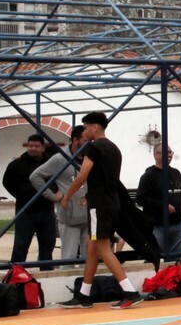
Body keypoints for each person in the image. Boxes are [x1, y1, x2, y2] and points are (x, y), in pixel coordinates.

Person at [55, 112, 143, 309]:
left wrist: (67, 196)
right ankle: (84, 294)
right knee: (91, 247)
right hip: (111, 202)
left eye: (86, 127)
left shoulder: (93, 147)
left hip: (100, 206)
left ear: (95, 127)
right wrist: (90, 195)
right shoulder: (114, 148)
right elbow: (106, 178)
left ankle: (130, 291)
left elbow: (81, 176)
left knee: (102, 247)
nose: (84, 131)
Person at [2, 133, 57, 265]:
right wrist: (20, 194)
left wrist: (53, 193)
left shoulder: (51, 164)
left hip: (46, 210)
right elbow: (7, 182)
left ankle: (46, 273)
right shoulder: (16, 164)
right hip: (25, 210)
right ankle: (15, 276)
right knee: (20, 246)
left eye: (36, 146)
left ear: (43, 148)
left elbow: (58, 181)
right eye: (30, 145)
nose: (33, 148)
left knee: (47, 246)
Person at [31, 134, 87, 262]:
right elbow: (35, 176)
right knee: (69, 257)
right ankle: (67, 281)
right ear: (75, 140)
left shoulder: (90, 158)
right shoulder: (60, 159)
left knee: (88, 259)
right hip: (69, 215)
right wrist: (51, 195)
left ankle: (86, 282)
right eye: (85, 140)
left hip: (88, 215)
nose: (89, 143)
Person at [136, 144, 181, 257]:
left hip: (177, 224)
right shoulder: (148, 176)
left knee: (177, 260)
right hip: (157, 226)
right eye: (165, 152)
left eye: (170, 152)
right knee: (156, 258)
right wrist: (162, 205)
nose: (169, 155)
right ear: (156, 155)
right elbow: (140, 198)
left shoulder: (176, 173)